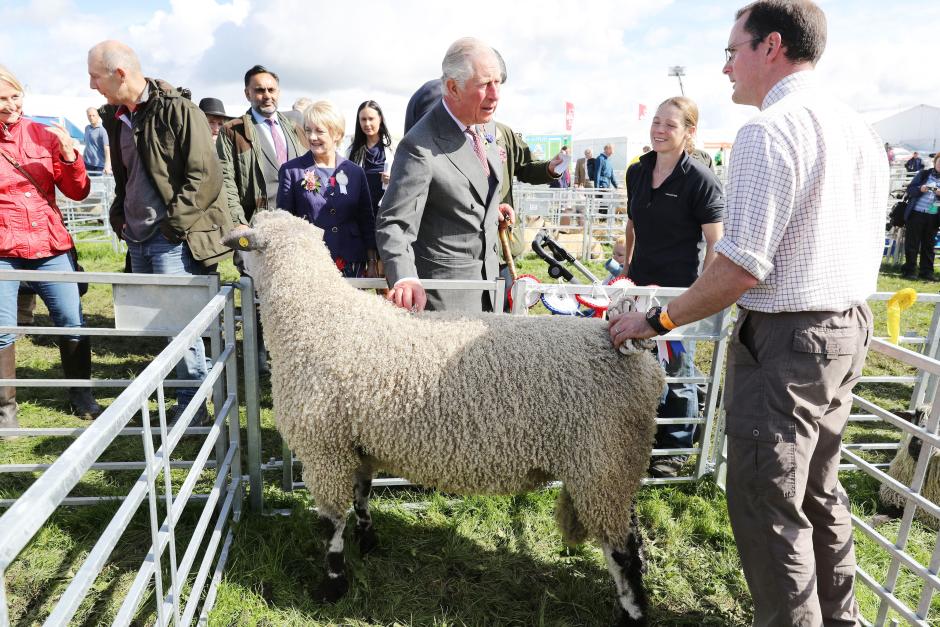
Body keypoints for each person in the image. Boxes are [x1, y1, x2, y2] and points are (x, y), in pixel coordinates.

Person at [609, 2, 887, 623]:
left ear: (771, 47)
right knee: (818, 492)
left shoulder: (769, 130)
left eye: (733, 50)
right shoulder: (856, 125)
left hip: (788, 340)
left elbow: (739, 266)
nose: (727, 66)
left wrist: (656, 322)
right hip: (844, 329)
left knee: (770, 504)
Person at [88, 40, 235, 421]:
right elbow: (127, 177)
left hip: (172, 238)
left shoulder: (179, 111)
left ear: (120, 74)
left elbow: (205, 176)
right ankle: (188, 398)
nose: (91, 86)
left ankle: (193, 405)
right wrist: (120, 214)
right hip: (138, 237)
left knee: (182, 327)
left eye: (95, 76)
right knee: (160, 324)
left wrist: (173, 228)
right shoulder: (118, 117)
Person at [622, 96, 724, 478]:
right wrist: (626, 270)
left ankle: (675, 449)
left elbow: (716, 238)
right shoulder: (638, 171)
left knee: (678, 367)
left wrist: (702, 289)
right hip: (640, 285)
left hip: (679, 291)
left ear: (689, 132)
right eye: (656, 122)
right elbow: (631, 225)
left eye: (670, 125)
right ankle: (642, 436)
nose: (659, 130)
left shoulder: (700, 179)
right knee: (639, 361)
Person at [0, 64, 103, 427]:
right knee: (1, 330)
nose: (10, 105)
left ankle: (82, 396)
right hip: (3, 251)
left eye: (15, 96)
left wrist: (70, 156)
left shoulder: (44, 134)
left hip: (50, 245)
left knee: (73, 322)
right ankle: (5, 412)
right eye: (1, 99)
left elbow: (78, 191)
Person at [376, 37, 510, 313]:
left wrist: (491, 208)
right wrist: (405, 277)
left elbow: (466, 189)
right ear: (453, 88)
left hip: (491, 290)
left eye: (498, 82)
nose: (495, 95)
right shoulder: (420, 147)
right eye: (485, 84)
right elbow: (394, 224)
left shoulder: (483, 124)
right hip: (448, 301)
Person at [279, 101, 377, 278]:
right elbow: (284, 223)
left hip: (351, 262)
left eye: (319, 131)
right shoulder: (291, 171)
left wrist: (372, 261)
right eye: (308, 130)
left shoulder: (355, 172)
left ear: (337, 134)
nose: (312, 137)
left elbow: (366, 220)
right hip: (310, 262)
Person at [218, 65, 305, 224]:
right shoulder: (233, 131)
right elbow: (226, 182)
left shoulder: (296, 129)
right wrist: (239, 223)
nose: (267, 96)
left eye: (271, 90)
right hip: (258, 225)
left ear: (278, 92)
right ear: (247, 93)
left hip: (297, 223)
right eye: (260, 90)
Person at [346, 100, 395, 218]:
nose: (367, 124)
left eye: (371, 118)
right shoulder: (351, 151)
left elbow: (404, 180)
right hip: (360, 213)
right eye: (363, 119)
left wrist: (392, 180)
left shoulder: (393, 149)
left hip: (385, 212)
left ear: (380, 119)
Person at [901, 153, 940, 280]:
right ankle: (910, 270)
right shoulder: (923, 174)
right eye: (939, 162)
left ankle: (927, 272)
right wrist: (920, 189)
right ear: (935, 163)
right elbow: (910, 190)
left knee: (929, 245)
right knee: (912, 243)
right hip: (916, 213)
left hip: (934, 217)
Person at [82, 106, 110, 175]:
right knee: (89, 185)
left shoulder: (102, 130)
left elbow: (107, 148)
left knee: (99, 185)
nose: (91, 117)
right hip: (87, 164)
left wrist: (107, 165)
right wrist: (82, 159)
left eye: (93, 115)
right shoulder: (87, 128)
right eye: (89, 115)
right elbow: (87, 145)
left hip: (100, 165)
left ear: (98, 116)